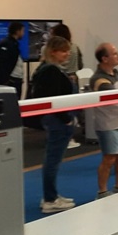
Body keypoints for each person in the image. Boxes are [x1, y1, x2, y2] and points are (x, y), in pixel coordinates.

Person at [32, 36, 76, 213]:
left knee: (53, 159)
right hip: (57, 120)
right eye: (63, 51)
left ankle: (51, 195)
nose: (67, 54)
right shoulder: (51, 71)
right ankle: (50, 199)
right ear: (53, 52)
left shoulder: (47, 69)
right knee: (53, 160)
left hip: (55, 119)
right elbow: (54, 100)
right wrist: (66, 119)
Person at [91, 43, 118, 199]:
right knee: (109, 158)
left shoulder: (115, 73)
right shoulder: (98, 79)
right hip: (108, 124)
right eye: (114, 53)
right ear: (105, 59)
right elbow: (117, 96)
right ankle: (102, 191)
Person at [49, 23, 84, 148]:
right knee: (71, 110)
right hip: (73, 79)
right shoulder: (75, 47)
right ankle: (69, 136)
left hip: (60, 80)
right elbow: (80, 65)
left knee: (59, 110)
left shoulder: (52, 51)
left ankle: (62, 137)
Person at [0, 21, 25, 97]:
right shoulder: (7, 44)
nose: (23, 33)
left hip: (16, 80)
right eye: (22, 31)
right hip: (11, 81)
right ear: (17, 31)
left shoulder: (14, 44)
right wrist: (5, 80)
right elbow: (1, 63)